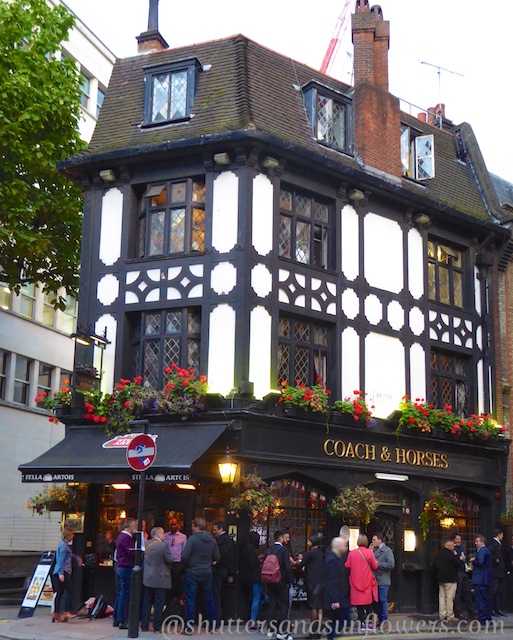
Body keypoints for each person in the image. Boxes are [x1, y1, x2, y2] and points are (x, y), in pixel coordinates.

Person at [181, 517, 219, 633]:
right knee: (209, 599)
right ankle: (213, 625)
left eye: (193, 526)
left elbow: (185, 556)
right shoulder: (212, 540)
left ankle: (188, 627)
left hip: (192, 572)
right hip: (207, 572)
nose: (191, 528)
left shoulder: (192, 539)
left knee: (190, 600)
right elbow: (217, 557)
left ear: (198, 527)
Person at [141, 527, 173, 633]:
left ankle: (144, 625)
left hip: (148, 577)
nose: (164, 535)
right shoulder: (163, 546)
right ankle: (157, 626)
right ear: (158, 534)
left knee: (147, 601)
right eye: (163, 533)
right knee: (159, 603)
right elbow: (170, 559)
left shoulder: (145, 544)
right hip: (160, 578)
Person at [345, 533, 378, 630]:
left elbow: (347, 565)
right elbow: (375, 566)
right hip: (367, 582)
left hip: (355, 582)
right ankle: (369, 624)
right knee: (368, 605)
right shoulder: (369, 553)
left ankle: (362, 624)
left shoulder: (352, 553)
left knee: (359, 605)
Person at [265, 530, 294, 640]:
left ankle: (270, 630)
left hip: (270, 581)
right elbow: (287, 568)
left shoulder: (269, 550)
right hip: (281, 582)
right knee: (284, 606)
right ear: (281, 538)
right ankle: (282, 632)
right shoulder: (284, 551)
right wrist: (288, 582)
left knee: (272, 604)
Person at [51, 527, 82, 623]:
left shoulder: (63, 545)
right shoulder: (64, 546)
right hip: (63, 572)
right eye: (72, 534)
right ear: (68, 535)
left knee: (59, 593)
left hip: (58, 572)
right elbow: (60, 561)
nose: (74, 536)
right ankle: (66, 611)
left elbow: (68, 556)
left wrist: (76, 558)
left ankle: (56, 613)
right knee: (70, 590)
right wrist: (61, 574)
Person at [323, 536, 351, 640]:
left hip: (340, 596)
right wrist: (334, 600)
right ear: (338, 546)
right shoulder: (332, 560)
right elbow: (332, 581)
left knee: (337, 621)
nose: (346, 547)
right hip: (336, 598)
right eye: (344, 545)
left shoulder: (337, 558)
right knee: (335, 622)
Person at [113, 517, 138, 630]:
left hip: (121, 567)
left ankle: (116, 617)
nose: (135, 529)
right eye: (134, 526)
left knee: (121, 593)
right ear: (129, 527)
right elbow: (130, 553)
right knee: (124, 594)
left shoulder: (121, 537)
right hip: (126, 567)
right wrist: (138, 550)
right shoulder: (126, 538)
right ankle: (122, 619)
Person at [296, 534, 324, 635]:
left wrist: (293, 561)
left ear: (312, 543)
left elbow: (300, 566)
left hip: (312, 582)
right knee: (319, 607)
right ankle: (319, 629)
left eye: (308, 541)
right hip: (320, 582)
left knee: (313, 607)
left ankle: (313, 630)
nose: (307, 543)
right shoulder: (320, 553)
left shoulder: (310, 553)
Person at [240, 531, 266, 629]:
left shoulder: (244, 549)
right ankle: (252, 620)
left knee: (258, 597)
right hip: (255, 577)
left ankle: (251, 617)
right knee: (258, 598)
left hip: (247, 577)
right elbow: (252, 564)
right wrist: (258, 560)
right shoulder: (251, 550)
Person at [163, 517, 187, 616]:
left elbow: (185, 551)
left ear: (177, 525)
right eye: (170, 524)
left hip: (177, 563)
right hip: (167, 564)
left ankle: (176, 606)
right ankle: (167, 606)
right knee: (168, 586)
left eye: (174, 524)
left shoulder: (183, 537)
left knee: (176, 586)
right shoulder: (165, 536)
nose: (172, 526)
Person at [370, 532, 395, 628]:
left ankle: (384, 621)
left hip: (383, 580)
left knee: (382, 599)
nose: (372, 542)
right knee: (377, 601)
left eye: (374, 540)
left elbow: (391, 564)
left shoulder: (387, 551)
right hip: (375, 580)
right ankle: (380, 619)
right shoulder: (374, 550)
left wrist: (378, 564)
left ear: (380, 540)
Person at [212, 521, 235, 621]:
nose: (214, 532)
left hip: (219, 570)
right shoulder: (228, 539)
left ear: (221, 529)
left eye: (215, 530)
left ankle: (216, 618)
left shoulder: (220, 540)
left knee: (216, 594)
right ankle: (225, 616)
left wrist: (217, 562)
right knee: (224, 594)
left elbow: (224, 553)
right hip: (227, 569)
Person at [433, 538, 460, 623]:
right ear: (448, 546)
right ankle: (450, 616)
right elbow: (458, 564)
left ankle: (442, 614)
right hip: (450, 579)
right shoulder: (451, 555)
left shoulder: (439, 555)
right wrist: (456, 556)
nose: (454, 546)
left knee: (442, 597)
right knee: (449, 598)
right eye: (453, 545)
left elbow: (434, 565)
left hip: (441, 579)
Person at [451, 533, 476, 619]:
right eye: (457, 539)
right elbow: (454, 560)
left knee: (467, 591)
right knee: (458, 593)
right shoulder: (452, 548)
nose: (459, 541)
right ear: (453, 540)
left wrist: (466, 566)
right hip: (457, 572)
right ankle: (459, 612)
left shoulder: (461, 548)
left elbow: (463, 560)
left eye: (460, 539)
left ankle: (471, 611)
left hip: (463, 571)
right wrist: (459, 559)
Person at [469, 534, 493, 623]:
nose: (475, 543)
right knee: (487, 599)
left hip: (480, 579)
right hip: (487, 579)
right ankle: (487, 618)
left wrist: (473, 561)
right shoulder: (487, 550)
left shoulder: (482, 550)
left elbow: (481, 562)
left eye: (477, 541)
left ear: (482, 542)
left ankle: (482, 618)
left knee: (481, 600)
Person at [487, 528, 506, 616]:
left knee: (498, 591)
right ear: (500, 534)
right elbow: (488, 553)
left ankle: (497, 609)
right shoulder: (494, 544)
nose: (503, 536)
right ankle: (491, 609)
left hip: (499, 572)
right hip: (495, 572)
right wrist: (495, 560)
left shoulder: (497, 544)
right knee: (493, 591)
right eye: (502, 535)